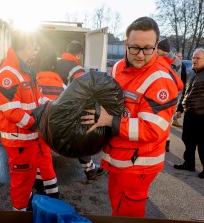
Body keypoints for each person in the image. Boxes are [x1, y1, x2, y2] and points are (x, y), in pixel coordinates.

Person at [81, 17, 183, 217]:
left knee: (128, 214)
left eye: (148, 48)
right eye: (135, 47)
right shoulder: (118, 67)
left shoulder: (160, 80)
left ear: (156, 46)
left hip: (138, 165)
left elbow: (152, 129)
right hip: (118, 157)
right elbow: (109, 96)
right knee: (116, 207)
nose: (141, 55)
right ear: (126, 43)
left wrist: (110, 121)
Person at [0, 30, 40, 211]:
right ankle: (18, 213)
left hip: (28, 139)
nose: (34, 51)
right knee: (21, 183)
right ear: (27, 46)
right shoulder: (9, 74)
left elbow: (38, 99)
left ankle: (24, 207)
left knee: (27, 179)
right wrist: (34, 123)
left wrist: (52, 109)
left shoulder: (24, 71)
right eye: (33, 47)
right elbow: (11, 110)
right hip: (20, 140)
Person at [56, 40, 104, 180]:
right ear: (79, 54)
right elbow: (83, 93)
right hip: (70, 112)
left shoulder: (54, 64)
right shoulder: (77, 69)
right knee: (79, 140)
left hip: (51, 109)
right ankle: (90, 170)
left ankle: (40, 174)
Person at [32, 49, 62, 199]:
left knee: (42, 160)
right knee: (41, 158)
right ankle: (40, 186)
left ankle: (53, 193)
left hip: (37, 128)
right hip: (54, 129)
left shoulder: (33, 81)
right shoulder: (62, 84)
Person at [174, 48, 204, 179]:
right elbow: (186, 93)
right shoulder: (191, 73)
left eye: (198, 58)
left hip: (202, 116)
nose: (194, 60)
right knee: (188, 140)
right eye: (193, 58)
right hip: (190, 114)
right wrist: (180, 108)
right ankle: (189, 163)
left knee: (203, 144)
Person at [157, 38, 183, 152]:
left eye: (158, 49)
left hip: (162, 93)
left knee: (159, 120)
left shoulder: (164, 59)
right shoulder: (177, 60)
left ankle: (162, 143)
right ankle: (166, 142)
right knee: (167, 121)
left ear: (162, 50)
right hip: (173, 94)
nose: (156, 51)